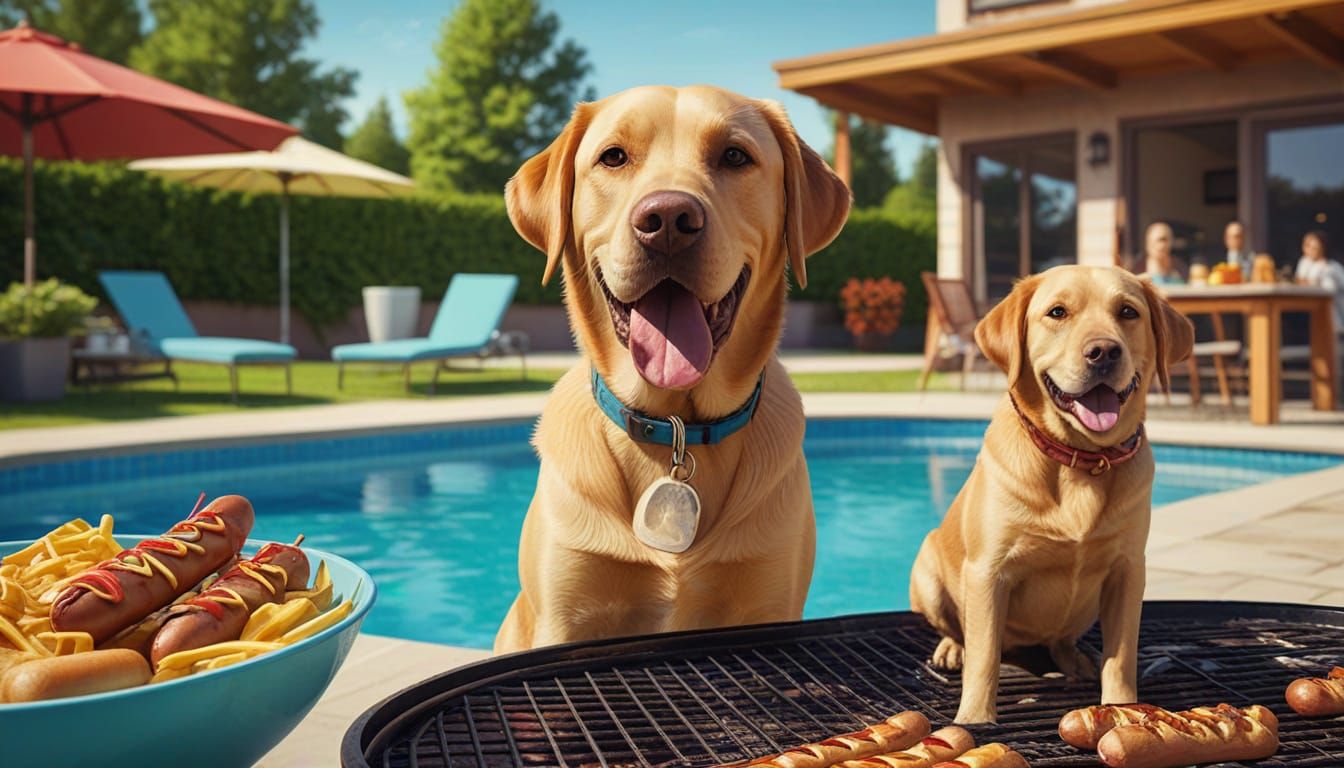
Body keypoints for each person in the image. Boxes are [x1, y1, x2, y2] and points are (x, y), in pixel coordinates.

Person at [1295, 230, 1344, 335]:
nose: (1310, 251)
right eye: (1307, 247)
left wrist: (1313, 283)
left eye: (1314, 248)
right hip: (1307, 313)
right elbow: (1300, 282)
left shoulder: (1331, 267)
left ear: (1322, 248)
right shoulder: (1304, 262)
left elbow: (1330, 290)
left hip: (1333, 315)